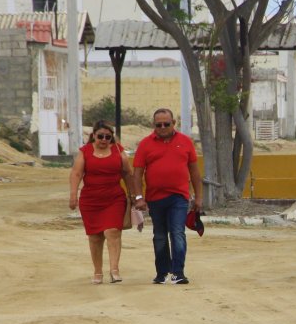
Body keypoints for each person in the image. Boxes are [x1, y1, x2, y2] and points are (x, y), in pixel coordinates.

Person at [130, 108, 202, 285]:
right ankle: (162, 272)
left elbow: (194, 171)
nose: (162, 127)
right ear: (153, 125)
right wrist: (139, 197)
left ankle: (178, 272)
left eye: (166, 124)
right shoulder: (145, 144)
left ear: (173, 123)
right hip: (155, 198)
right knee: (160, 235)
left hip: (179, 197)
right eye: (158, 125)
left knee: (177, 232)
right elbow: (137, 173)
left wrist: (199, 197)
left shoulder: (185, 142)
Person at [68, 121, 133, 284]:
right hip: (91, 200)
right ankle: (97, 272)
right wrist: (73, 195)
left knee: (113, 231)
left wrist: (134, 195)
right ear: (93, 136)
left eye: (108, 137)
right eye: (100, 136)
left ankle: (114, 270)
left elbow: (128, 173)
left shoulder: (118, 150)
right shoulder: (85, 151)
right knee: (95, 237)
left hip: (114, 198)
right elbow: (76, 174)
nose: (104, 140)